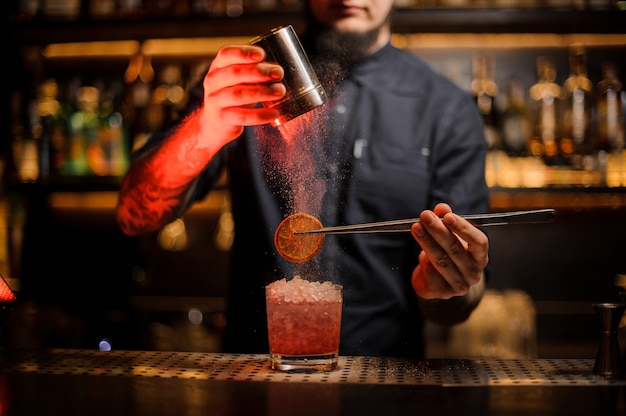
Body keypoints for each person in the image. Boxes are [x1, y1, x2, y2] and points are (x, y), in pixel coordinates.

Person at [115, 0, 490, 358]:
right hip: (254, 374)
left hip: (385, 378)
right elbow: (135, 214)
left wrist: (448, 287)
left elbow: (459, 303)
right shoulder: (243, 85)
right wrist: (205, 127)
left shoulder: (446, 108)